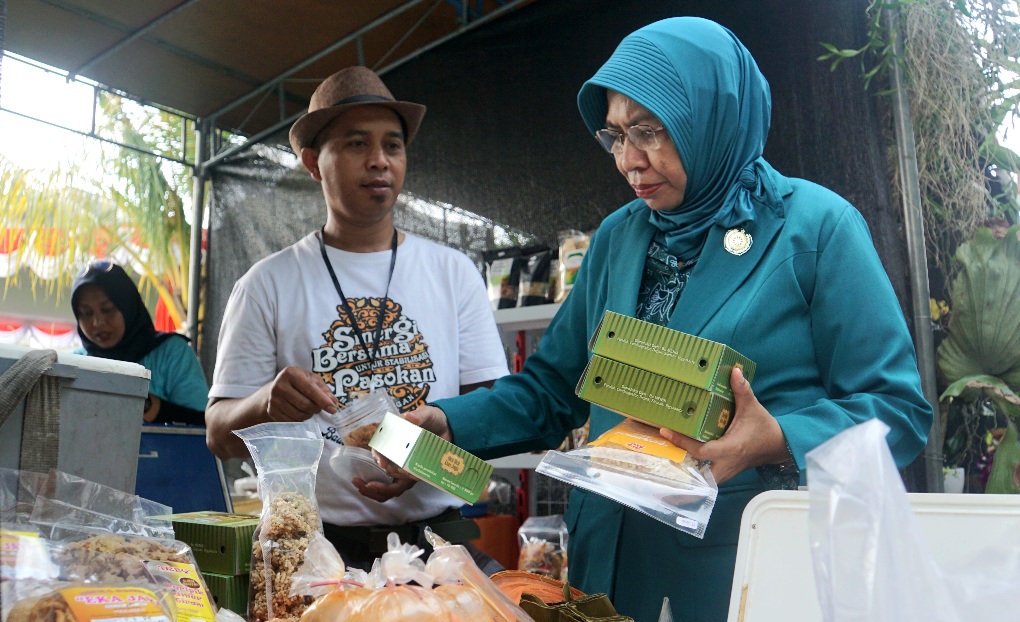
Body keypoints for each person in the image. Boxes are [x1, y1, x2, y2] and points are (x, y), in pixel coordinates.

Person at [397, 17, 934, 622]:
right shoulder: (619, 240)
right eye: (615, 135)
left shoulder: (814, 229)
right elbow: (553, 387)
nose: (629, 160)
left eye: (649, 131)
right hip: (611, 566)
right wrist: (445, 421)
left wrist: (777, 440)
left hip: (744, 570)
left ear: (711, 117)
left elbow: (896, 409)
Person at [204, 66, 509, 571]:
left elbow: (491, 410)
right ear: (312, 163)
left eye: (393, 145)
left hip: (440, 549)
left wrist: (426, 461)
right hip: (319, 558)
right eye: (354, 144)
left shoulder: (453, 272)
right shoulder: (267, 284)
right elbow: (218, 434)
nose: (378, 162)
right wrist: (265, 402)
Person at [71, 260, 209, 425]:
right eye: (86, 313)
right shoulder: (74, 365)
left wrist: (141, 402)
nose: (97, 322)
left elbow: (202, 426)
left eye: (107, 309)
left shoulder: (171, 353)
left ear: (128, 306)